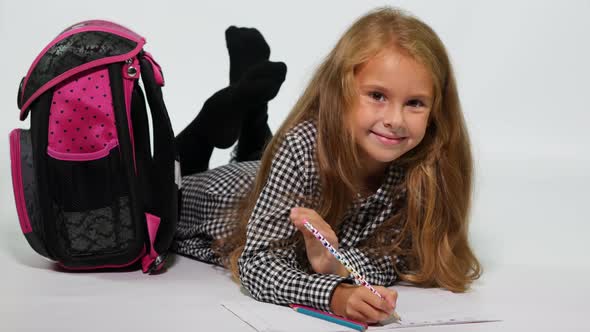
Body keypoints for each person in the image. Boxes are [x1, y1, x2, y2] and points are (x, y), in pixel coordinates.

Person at [173, 7, 481, 324]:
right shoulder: (301, 146)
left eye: (414, 103)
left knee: (258, 155)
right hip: (211, 195)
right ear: (339, 92)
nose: (395, 120)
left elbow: (397, 257)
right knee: (173, 174)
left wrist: (338, 265)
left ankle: (253, 113)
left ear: (436, 110)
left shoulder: (421, 163)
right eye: (377, 95)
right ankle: (226, 109)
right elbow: (257, 263)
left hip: (263, 175)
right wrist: (335, 294)